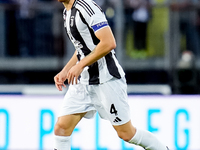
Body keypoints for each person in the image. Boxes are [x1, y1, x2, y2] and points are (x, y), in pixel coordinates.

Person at [53, 0, 169, 150]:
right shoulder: (66, 12)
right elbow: (83, 46)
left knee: (127, 134)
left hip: (106, 79)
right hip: (84, 82)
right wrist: (66, 69)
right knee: (61, 129)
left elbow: (108, 43)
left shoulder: (87, 7)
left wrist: (80, 65)